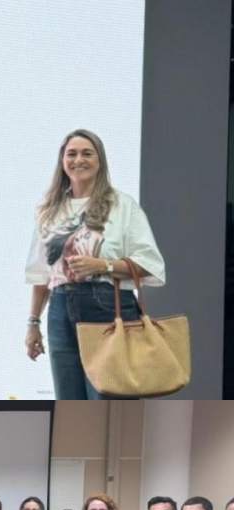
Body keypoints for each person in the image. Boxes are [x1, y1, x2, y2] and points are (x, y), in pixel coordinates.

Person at [24, 128, 165, 399]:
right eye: (71, 154)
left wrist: (103, 265)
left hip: (107, 305)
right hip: (60, 308)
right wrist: (33, 323)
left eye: (87, 153)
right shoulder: (50, 209)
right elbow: (41, 275)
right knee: (69, 398)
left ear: (100, 161)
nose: (79, 160)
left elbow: (150, 263)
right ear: (62, 162)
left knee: (110, 397)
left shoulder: (122, 205)